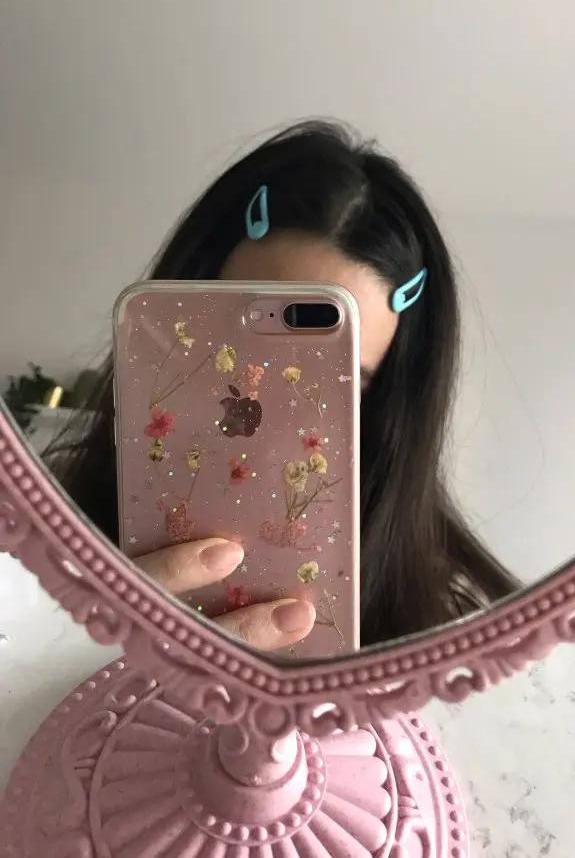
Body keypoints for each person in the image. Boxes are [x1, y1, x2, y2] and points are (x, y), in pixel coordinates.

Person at [52, 120, 518, 654]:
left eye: (335, 382)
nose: (269, 413)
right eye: (239, 355)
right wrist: (74, 661)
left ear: (386, 404)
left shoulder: (455, 620)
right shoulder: (37, 531)